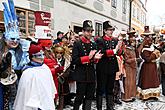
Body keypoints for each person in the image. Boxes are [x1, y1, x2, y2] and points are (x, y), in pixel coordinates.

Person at [70, 20, 102, 110]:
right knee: (79, 97)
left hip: (91, 74)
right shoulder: (77, 43)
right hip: (81, 75)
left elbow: (94, 61)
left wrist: (96, 59)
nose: (90, 33)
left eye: (91, 31)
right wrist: (88, 57)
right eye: (88, 31)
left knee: (89, 97)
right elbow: (74, 60)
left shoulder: (93, 44)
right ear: (83, 31)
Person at [14, 44, 57, 110]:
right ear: (32, 57)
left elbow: (50, 87)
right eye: (38, 55)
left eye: (43, 54)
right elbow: (24, 93)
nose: (42, 57)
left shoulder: (45, 68)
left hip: (45, 100)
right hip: (32, 103)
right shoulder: (28, 72)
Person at [95, 21, 123, 110]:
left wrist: (119, 49)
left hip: (112, 67)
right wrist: (115, 50)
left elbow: (118, 53)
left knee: (110, 89)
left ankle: (110, 107)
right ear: (104, 30)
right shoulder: (100, 40)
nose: (111, 31)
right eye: (109, 30)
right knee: (100, 89)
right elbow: (102, 52)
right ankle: (99, 107)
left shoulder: (114, 40)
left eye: (112, 30)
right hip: (102, 67)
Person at [137, 26, 161, 101]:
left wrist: (156, 54)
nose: (150, 39)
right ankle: (145, 95)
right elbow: (147, 59)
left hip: (153, 66)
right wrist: (154, 54)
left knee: (154, 81)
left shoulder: (152, 47)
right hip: (147, 68)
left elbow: (157, 54)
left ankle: (153, 95)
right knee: (146, 81)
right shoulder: (144, 49)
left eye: (150, 37)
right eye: (148, 37)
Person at [122, 28, 137, 102]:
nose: (133, 39)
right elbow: (127, 60)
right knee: (128, 82)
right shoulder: (126, 48)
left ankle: (132, 95)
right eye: (131, 37)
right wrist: (134, 60)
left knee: (133, 81)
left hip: (133, 66)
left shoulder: (133, 47)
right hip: (128, 67)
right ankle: (127, 96)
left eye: (134, 37)